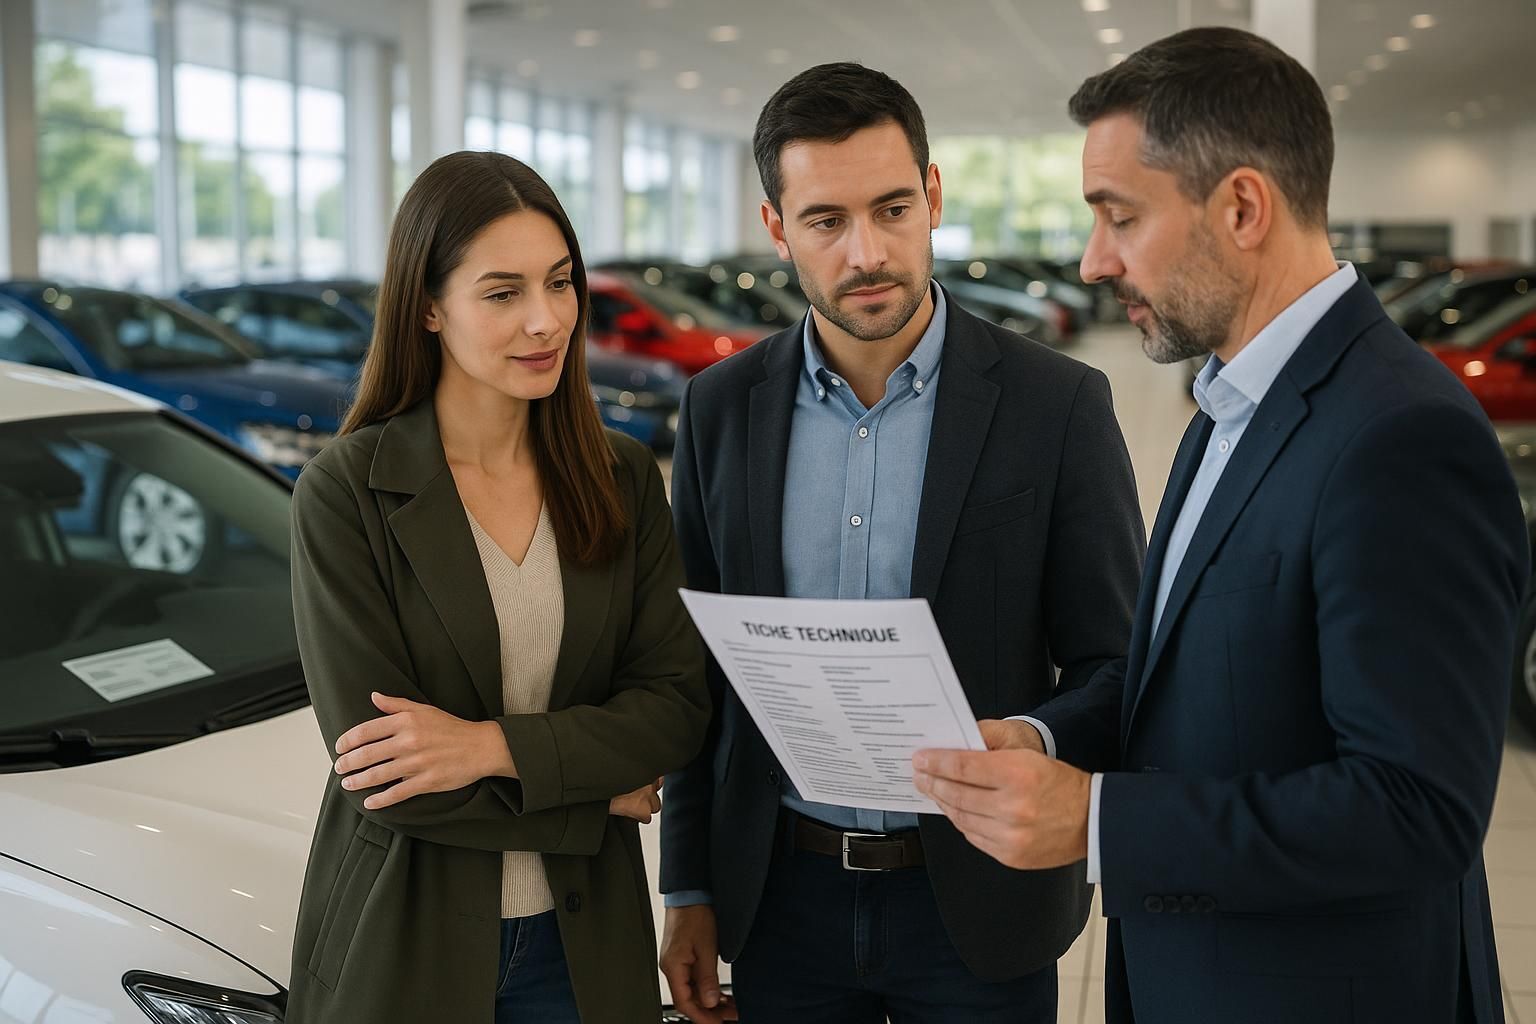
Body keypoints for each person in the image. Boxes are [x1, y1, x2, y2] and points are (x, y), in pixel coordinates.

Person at [913, 27, 1525, 1024]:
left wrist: (1099, 819)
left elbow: (1417, 810)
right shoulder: (1229, 406)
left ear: (1242, 206)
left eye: (1119, 216)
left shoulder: (1401, 437)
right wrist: (1037, 735)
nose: (1091, 258)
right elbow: (1189, 687)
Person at [658, 62, 1145, 1024]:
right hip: (780, 898)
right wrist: (688, 887)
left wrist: (1032, 742)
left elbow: (1119, 666)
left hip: (977, 900)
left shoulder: (1056, 406)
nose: (866, 253)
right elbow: (697, 677)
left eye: (890, 209)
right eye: (826, 221)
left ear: (931, 197)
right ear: (777, 229)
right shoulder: (720, 411)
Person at [285, 150, 710, 1024]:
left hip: (584, 945)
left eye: (560, 284)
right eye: (503, 292)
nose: (546, 320)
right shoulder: (347, 491)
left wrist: (490, 747)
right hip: (409, 939)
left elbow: (674, 710)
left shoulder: (621, 477)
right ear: (430, 306)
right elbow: (385, 773)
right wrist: (592, 793)